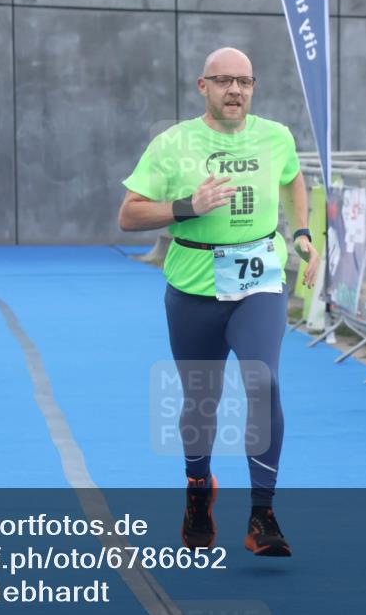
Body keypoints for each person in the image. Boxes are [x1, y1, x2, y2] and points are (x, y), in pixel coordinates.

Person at [118, 47, 320, 557]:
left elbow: (294, 177)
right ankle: (197, 489)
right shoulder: (173, 143)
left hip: (259, 279)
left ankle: (262, 512)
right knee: (201, 399)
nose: (236, 90)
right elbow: (129, 215)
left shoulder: (276, 135)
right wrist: (188, 206)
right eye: (224, 81)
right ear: (202, 86)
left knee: (264, 380)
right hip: (193, 284)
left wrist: (301, 232)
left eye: (245, 82)